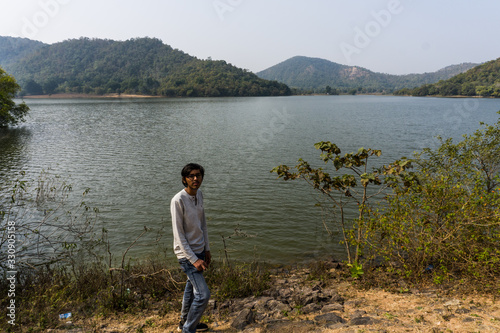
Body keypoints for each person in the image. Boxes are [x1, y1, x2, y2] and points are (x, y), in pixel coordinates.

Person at [171, 163, 211, 333]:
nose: (196, 179)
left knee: (192, 288)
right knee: (203, 295)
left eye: (199, 175)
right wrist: (194, 260)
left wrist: (207, 249)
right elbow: (179, 236)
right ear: (184, 179)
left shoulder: (199, 195)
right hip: (187, 256)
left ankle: (185, 322)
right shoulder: (178, 200)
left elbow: (203, 224)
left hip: (200, 250)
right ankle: (188, 329)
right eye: (191, 176)